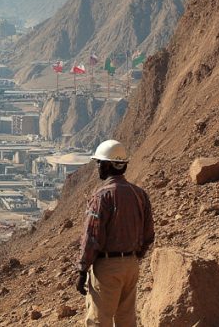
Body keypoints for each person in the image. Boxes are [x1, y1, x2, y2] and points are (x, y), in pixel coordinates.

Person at [75, 139, 154, 326]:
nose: (98, 167)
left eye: (99, 163)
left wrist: (82, 270)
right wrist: (133, 256)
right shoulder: (139, 194)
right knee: (126, 320)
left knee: (98, 321)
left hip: (108, 267)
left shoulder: (102, 196)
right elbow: (149, 233)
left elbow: (92, 237)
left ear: (108, 165)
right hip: (131, 266)